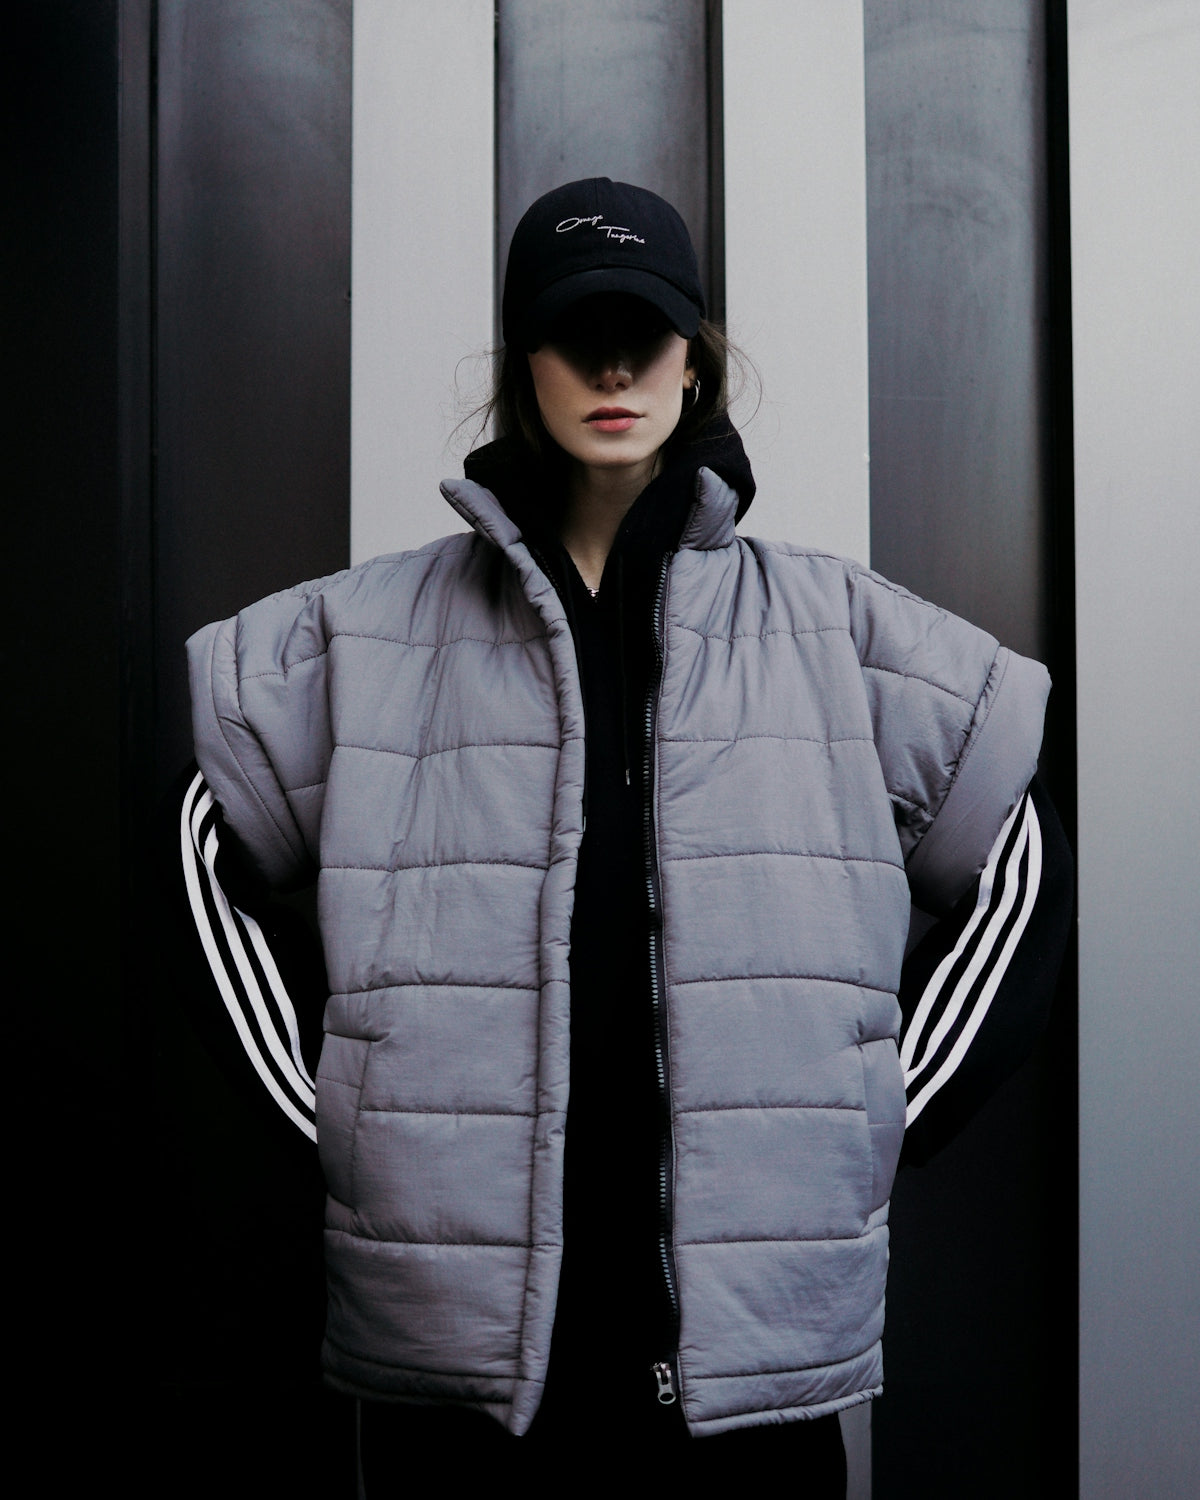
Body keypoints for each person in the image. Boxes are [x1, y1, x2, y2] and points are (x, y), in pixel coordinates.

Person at [178, 179, 1071, 1494]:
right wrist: (339, 1113)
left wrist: (884, 1106)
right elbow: (204, 837)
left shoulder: (838, 630)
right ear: (519, 363)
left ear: (695, 361)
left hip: (741, 1380)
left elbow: (1016, 855)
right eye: (573, 331)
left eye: (644, 332)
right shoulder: (359, 636)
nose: (611, 364)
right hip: (463, 1380)